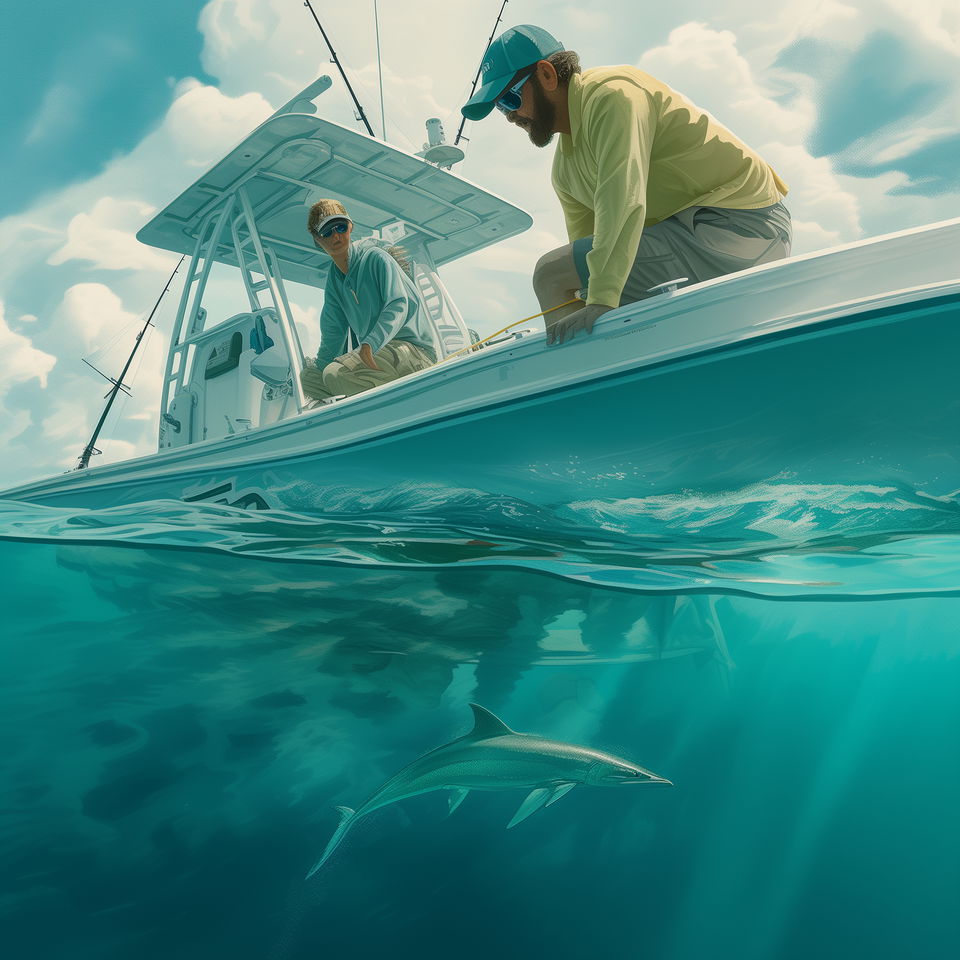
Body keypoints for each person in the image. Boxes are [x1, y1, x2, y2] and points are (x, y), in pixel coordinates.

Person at [461, 25, 793, 345]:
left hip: (744, 223)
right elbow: (587, 252)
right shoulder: (564, 170)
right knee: (578, 281)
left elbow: (622, 197)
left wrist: (604, 297)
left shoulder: (611, 94)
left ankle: (585, 380)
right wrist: (596, 295)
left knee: (550, 275)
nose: (509, 117)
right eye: (500, 109)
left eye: (509, 100)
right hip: (692, 234)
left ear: (547, 75)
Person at [300, 199, 437, 402]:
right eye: (327, 231)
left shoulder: (376, 258)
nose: (336, 235)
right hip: (378, 354)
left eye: (341, 226)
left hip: (412, 351)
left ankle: (394, 404)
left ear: (350, 226)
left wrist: (370, 343)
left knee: (335, 374)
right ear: (317, 240)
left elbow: (399, 304)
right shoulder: (334, 279)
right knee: (309, 379)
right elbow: (333, 331)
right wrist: (319, 367)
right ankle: (372, 404)